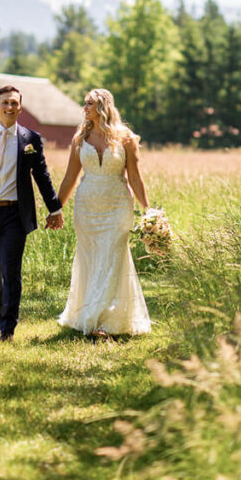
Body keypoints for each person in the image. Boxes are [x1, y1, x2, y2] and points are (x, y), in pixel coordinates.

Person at [0, 84, 64, 341]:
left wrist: (55, 208)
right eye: (5, 102)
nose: (9, 107)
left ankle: (8, 329)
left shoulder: (31, 140)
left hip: (15, 216)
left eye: (14, 103)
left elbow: (42, 176)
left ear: (20, 107)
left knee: (11, 271)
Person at [57, 88, 152, 337]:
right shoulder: (80, 138)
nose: (84, 107)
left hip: (118, 206)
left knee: (112, 256)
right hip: (87, 207)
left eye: (89, 103)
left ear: (103, 106)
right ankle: (88, 311)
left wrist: (148, 211)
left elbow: (134, 176)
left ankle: (103, 321)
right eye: (84, 103)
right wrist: (56, 207)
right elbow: (70, 177)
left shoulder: (126, 137)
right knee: (91, 258)